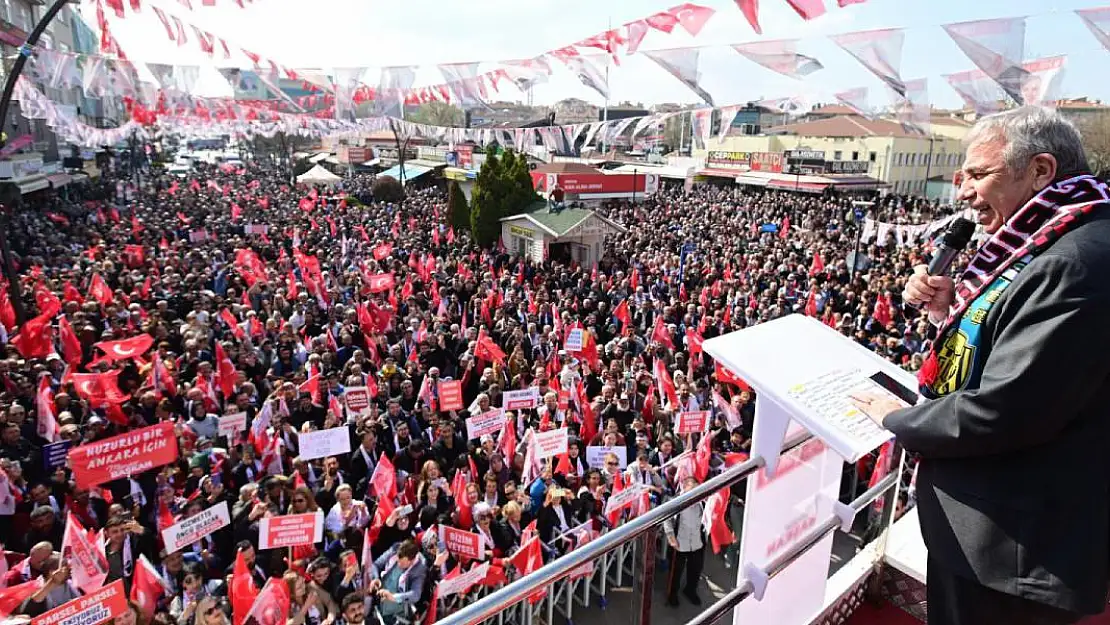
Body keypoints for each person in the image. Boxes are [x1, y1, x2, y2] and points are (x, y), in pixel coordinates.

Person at [853, 106, 1110, 625]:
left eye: (978, 174)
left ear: (1040, 171)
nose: (963, 192)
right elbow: (1026, 355)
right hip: (1006, 538)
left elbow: (1008, 409)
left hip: (1012, 551)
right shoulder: (1056, 239)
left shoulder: (1073, 262)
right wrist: (951, 313)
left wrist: (894, 416)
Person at [663, 476, 704, 607]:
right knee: (676, 572)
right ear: (684, 487)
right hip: (679, 543)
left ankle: (690, 590)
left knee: (696, 569)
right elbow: (667, 519)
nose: (695, 492)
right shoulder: (675, 501)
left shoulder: (702, 501)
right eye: (692, 489)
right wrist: (670, 536)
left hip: (697, 543)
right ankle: (672, 595)